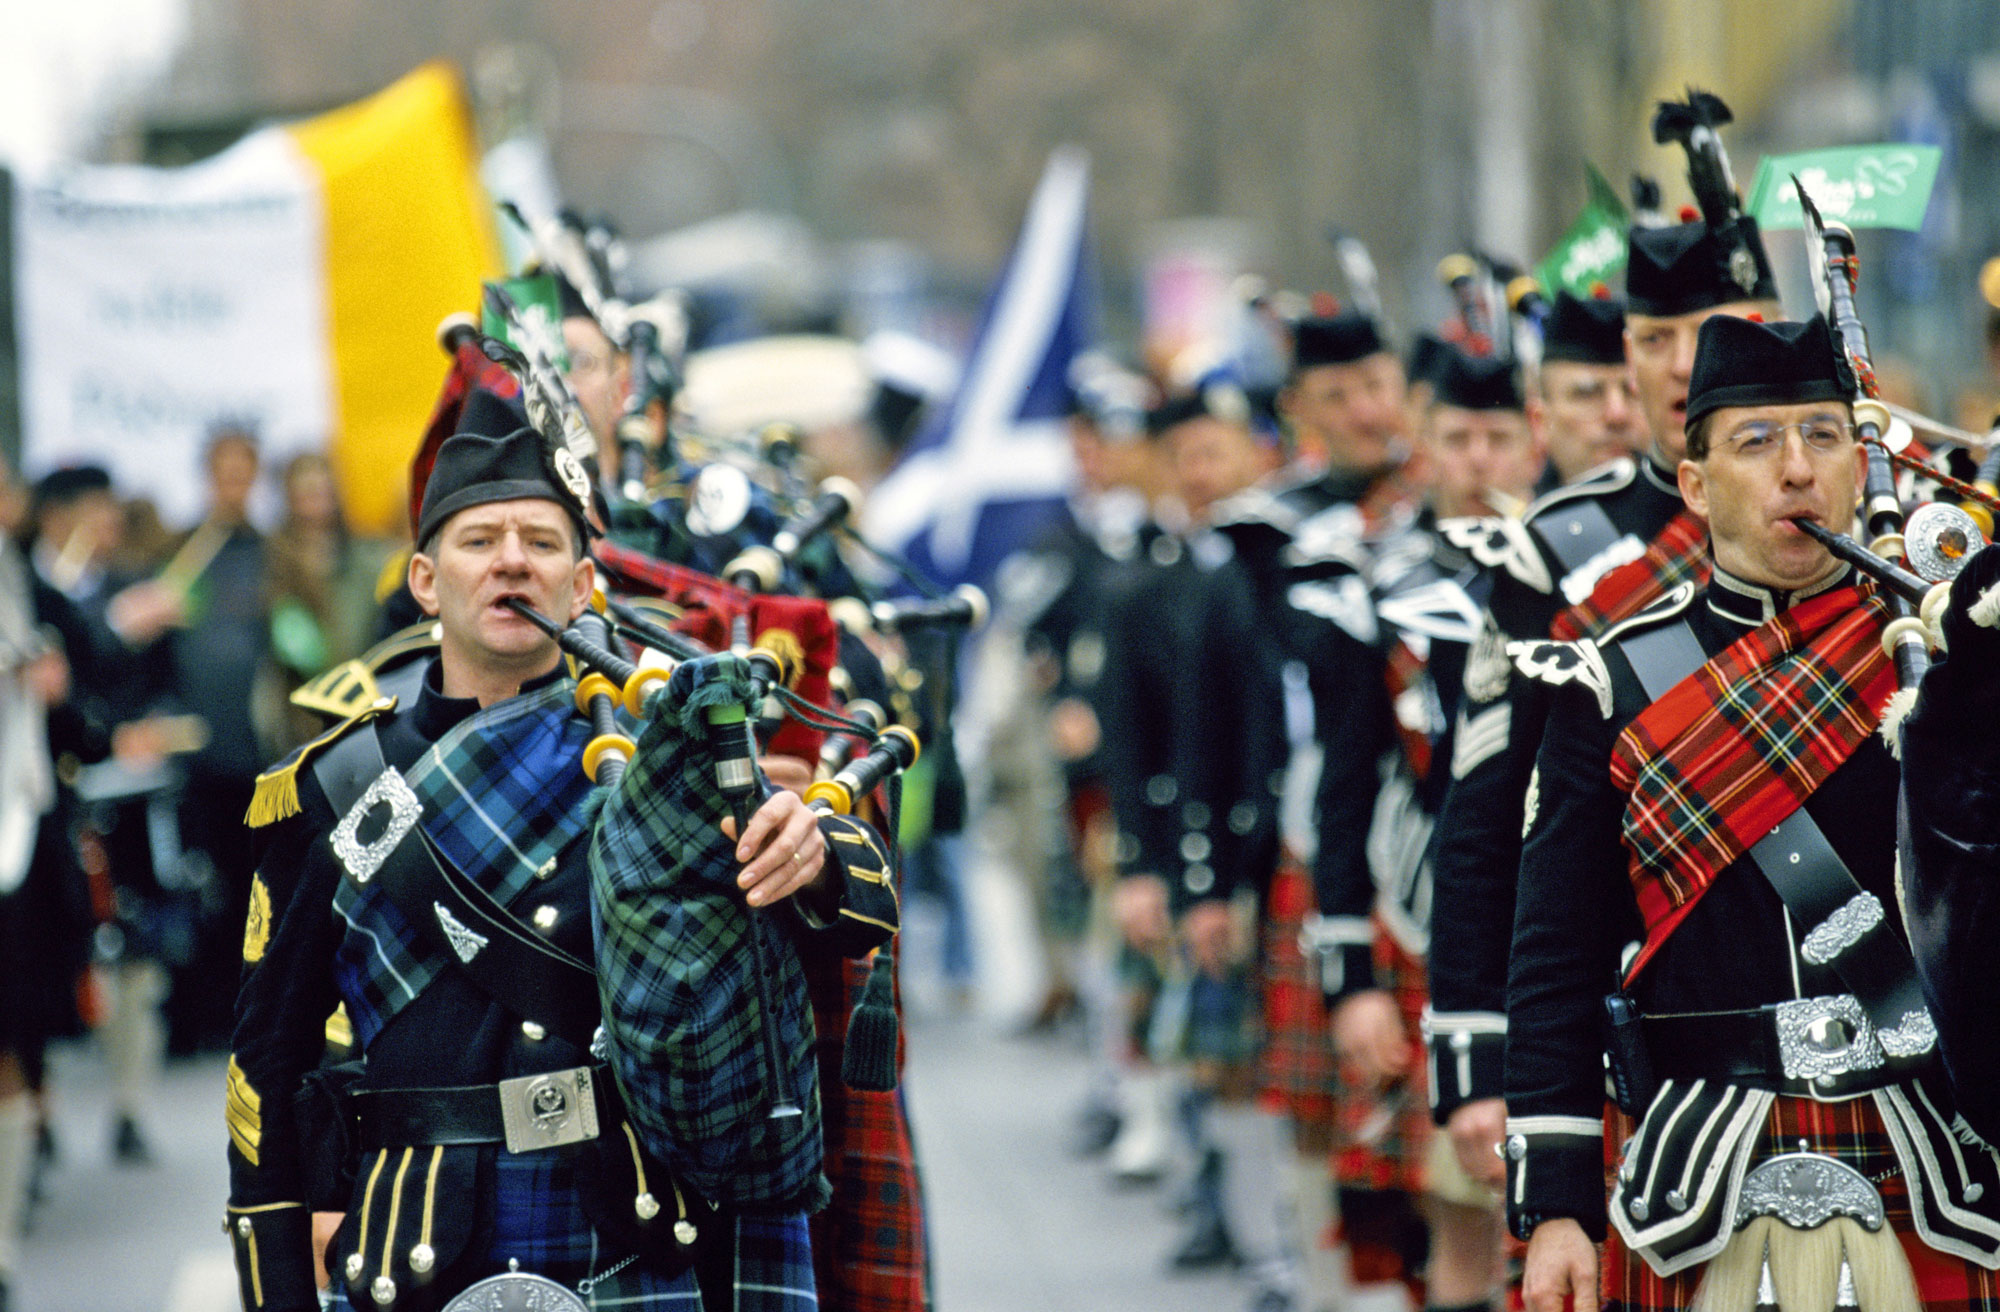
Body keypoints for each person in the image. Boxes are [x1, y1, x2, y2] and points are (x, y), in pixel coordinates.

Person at [225, 423, 900, 1311]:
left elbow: (863, 907)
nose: (512, 562)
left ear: (583, 584)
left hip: (629, 1215)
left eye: (541, 542)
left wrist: (813, 857)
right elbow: (266, 1066)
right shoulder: (335, 787)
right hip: (417, 1237)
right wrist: (276, 1291)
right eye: (479, 540)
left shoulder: (668, 759)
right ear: (425, 580)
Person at [1507, 312, 1998, 1312]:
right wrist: (1555, 1203)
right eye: (1754, 440)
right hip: (1704, 1167)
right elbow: (1554, 953)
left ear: (1859, 468)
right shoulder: (1612, 686)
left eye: (1821, 435)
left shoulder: (1937, 662)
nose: (1795, 469)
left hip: (1931, 1154)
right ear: (1693, 485)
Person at [1424, 93, 1782, 1191]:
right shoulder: (1553, 547)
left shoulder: (1865, 528)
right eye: (1650, 340)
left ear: (1768, 323)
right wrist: (1477, 1051)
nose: (1678, 367)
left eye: (1705, 331)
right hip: (1647, 1002)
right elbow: (1489, 815)